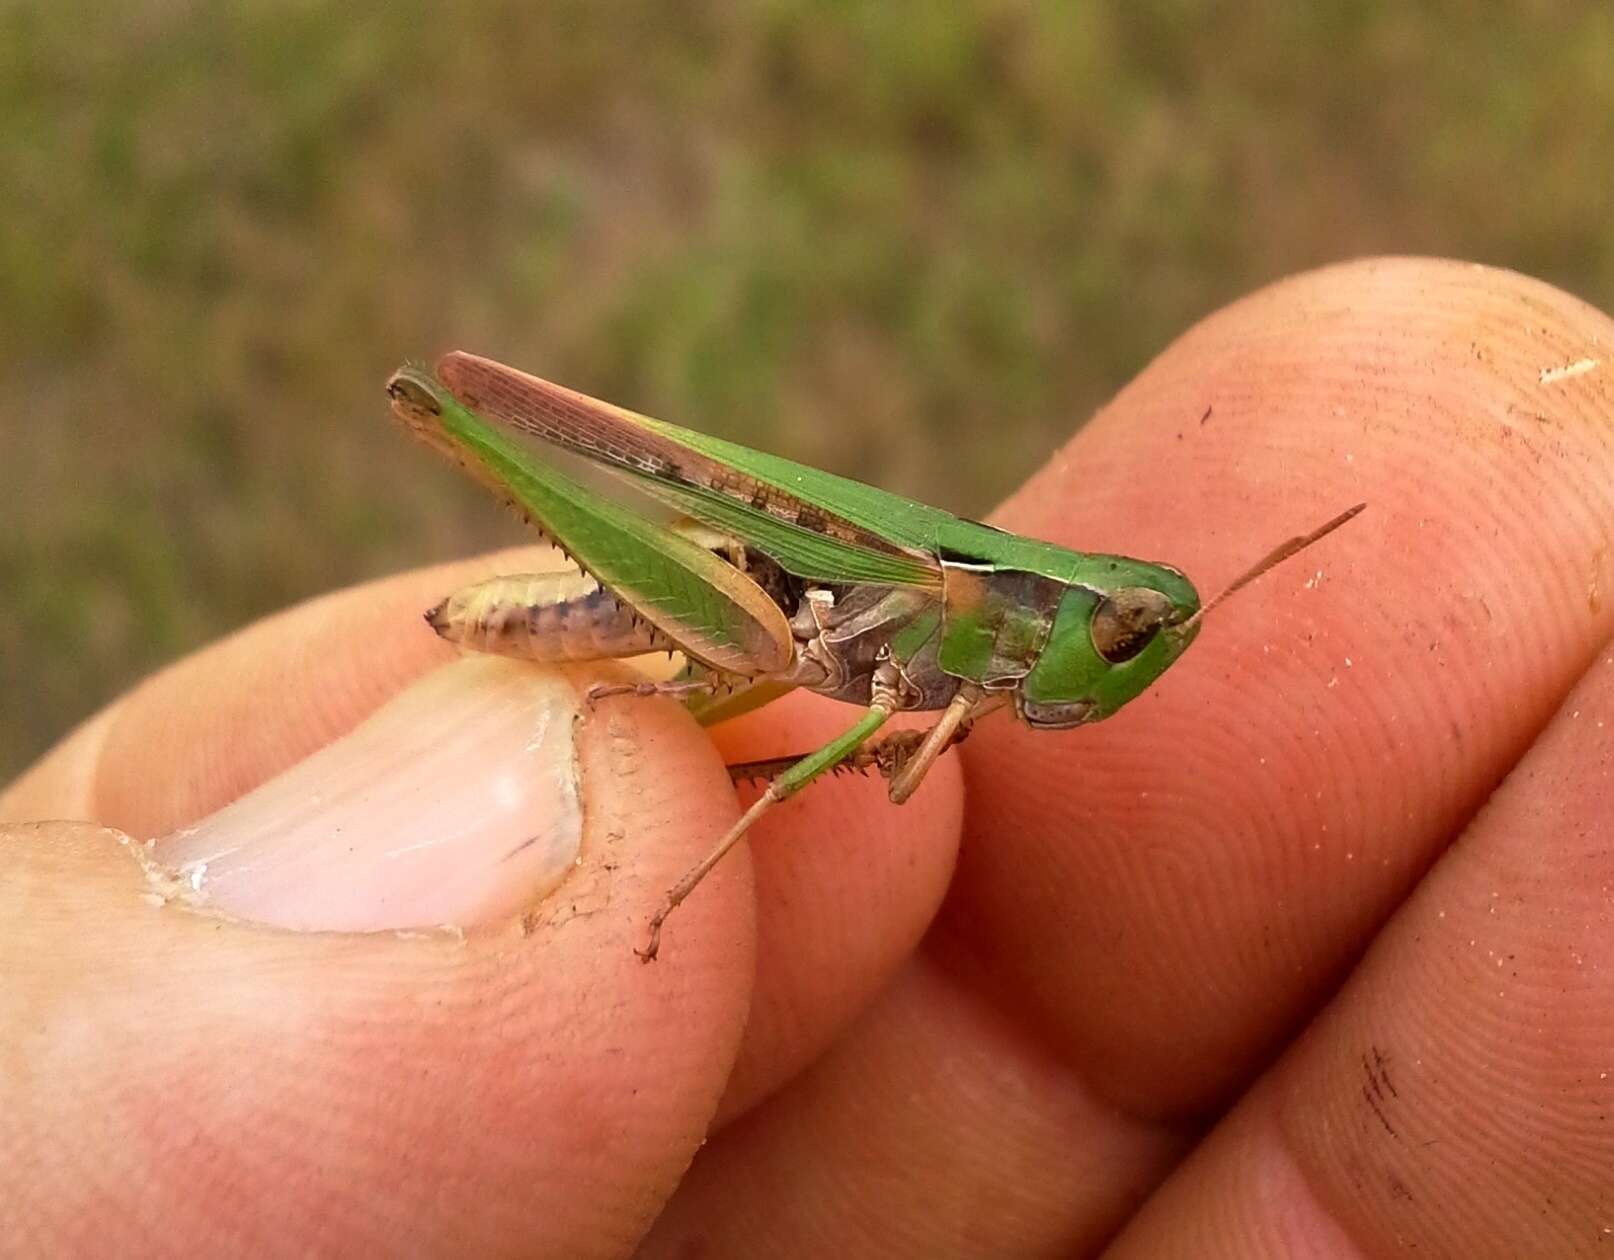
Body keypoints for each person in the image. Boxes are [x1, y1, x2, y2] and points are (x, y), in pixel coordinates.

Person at [5, 257, 1611, 1256]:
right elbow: (831, 735)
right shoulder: (940, 608)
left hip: (764, 640)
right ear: (1051, 609)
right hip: (723, 597)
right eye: (1116, 634)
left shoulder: (960, 684)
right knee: (765, 681)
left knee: (785, 710)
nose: (1107, 664)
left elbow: (881, 764)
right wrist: (726, 826)